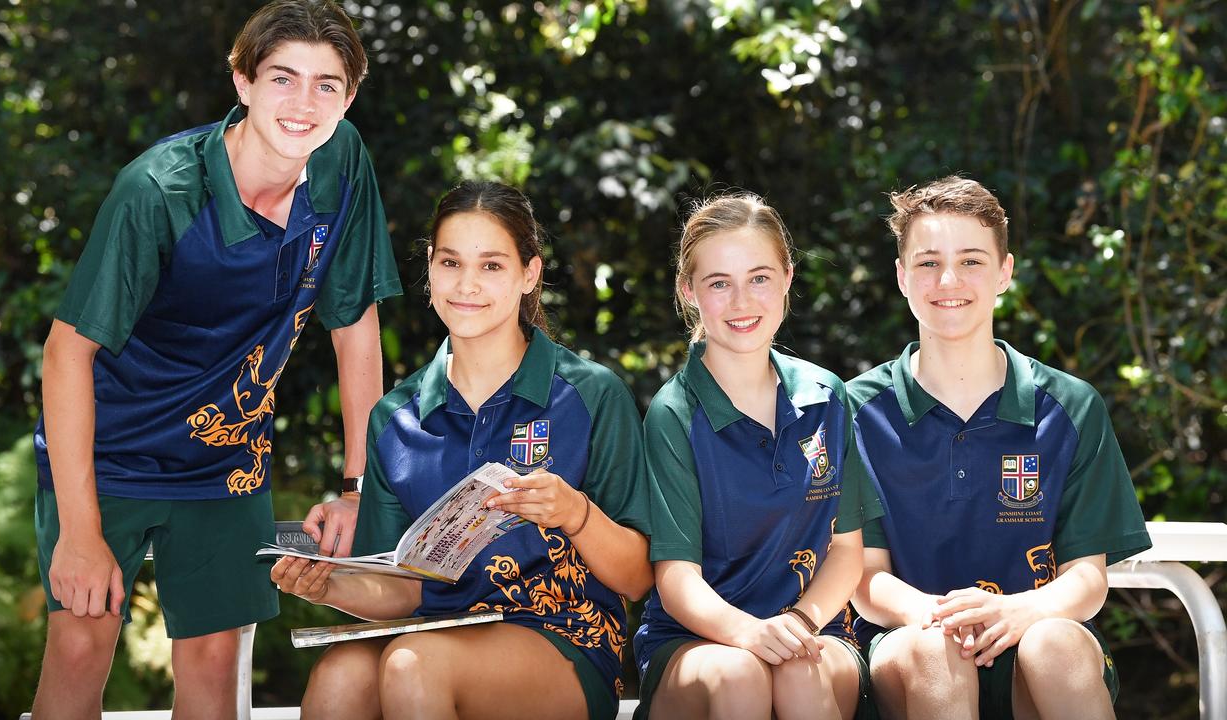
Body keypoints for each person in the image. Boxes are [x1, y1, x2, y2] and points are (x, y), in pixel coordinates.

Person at [30, 2, 400, 717]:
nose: (303, 103)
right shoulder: (160, 192)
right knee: (81, 644)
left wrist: (358, 487)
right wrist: (79, 533)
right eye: (283, 78)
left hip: (226, 457)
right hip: (109, 451)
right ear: (242, 82)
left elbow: (355, 326)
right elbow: (65, 352)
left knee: (214, 660)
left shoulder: (343, 160)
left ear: (350, 97)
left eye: (327, 84)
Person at [272, 180, 653, 720]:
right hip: (430, 626)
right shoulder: (395, 418)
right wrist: (326, 583)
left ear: (530, 274)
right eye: (450, 262)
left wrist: (576, 513)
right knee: (341, 675)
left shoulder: (590, 395)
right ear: (429, 267)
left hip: (562, 640)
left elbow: (638, 577)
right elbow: (399, 590)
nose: (467, 285)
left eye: (492, 266)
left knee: (413, 663)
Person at [848, 176, 1152, 720]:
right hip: (912, 648)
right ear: (900, 276)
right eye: (927, 262)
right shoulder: (854, 412)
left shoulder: (1071, 406)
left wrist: (1016, 612)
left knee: (1055, 643)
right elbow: (866, 579)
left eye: (971, 261)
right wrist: (943, 618)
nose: (948, 280)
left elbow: (1088, 577)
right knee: (934, 654)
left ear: (1005, 272)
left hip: (1033, 641)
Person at [632, 194, 883, 720]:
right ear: (689, 291)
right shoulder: (674, 413)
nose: (742, 301)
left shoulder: (827, 397)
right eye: (719, 283)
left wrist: (800, 621)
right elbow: (677, 580)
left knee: (797, 673)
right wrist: (748, 633)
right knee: (741, 675)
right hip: (697, 642)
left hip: (814, 627)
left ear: (788, 277)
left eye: (759, 278)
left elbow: (845, 551)